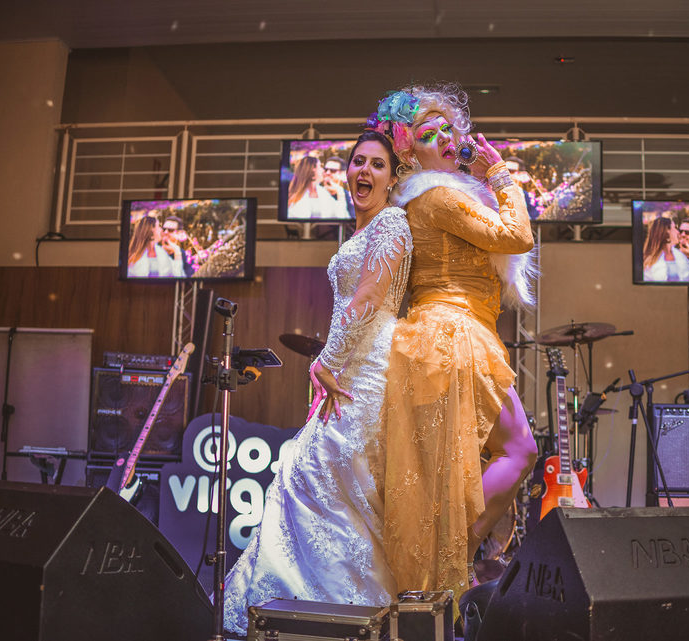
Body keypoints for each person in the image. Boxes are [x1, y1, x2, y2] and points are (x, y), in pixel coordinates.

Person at [220, 129, 411, 634]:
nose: (364, 171)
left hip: (368, 374)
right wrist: (332, 364)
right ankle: (311, 613)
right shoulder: (360, 230)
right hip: (349, 368)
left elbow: (369, 296)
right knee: (319, 485)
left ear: (393, 179)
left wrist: (326, 361)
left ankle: (352, 615)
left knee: (323, 480)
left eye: (377, 164)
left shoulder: (392, 222)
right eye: (357, 162)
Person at [375, 83, 539, 597]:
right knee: (519, 451)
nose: (446, 138)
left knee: (452, 473)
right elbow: (518, 236)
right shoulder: (439, 196)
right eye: (430, 134)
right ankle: (450, 557)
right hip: (453, 334)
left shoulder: (437, 196)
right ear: (409, 152)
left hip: (445, 337)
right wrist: (501, 175)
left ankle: (445, 564)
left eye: (449, 128)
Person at [642, 216, 689, 282]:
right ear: (667, 231)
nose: (679, 233)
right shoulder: (648, 261)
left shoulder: (681, 257)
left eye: (688, 232)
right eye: (675, 228)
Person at [286, 155, 351, 219]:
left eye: (333, 170)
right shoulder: (296, 196)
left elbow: (342, 216)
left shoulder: (323, 192)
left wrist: (340, 192)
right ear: (312, 171)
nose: (325, 172)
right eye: (321, 167)